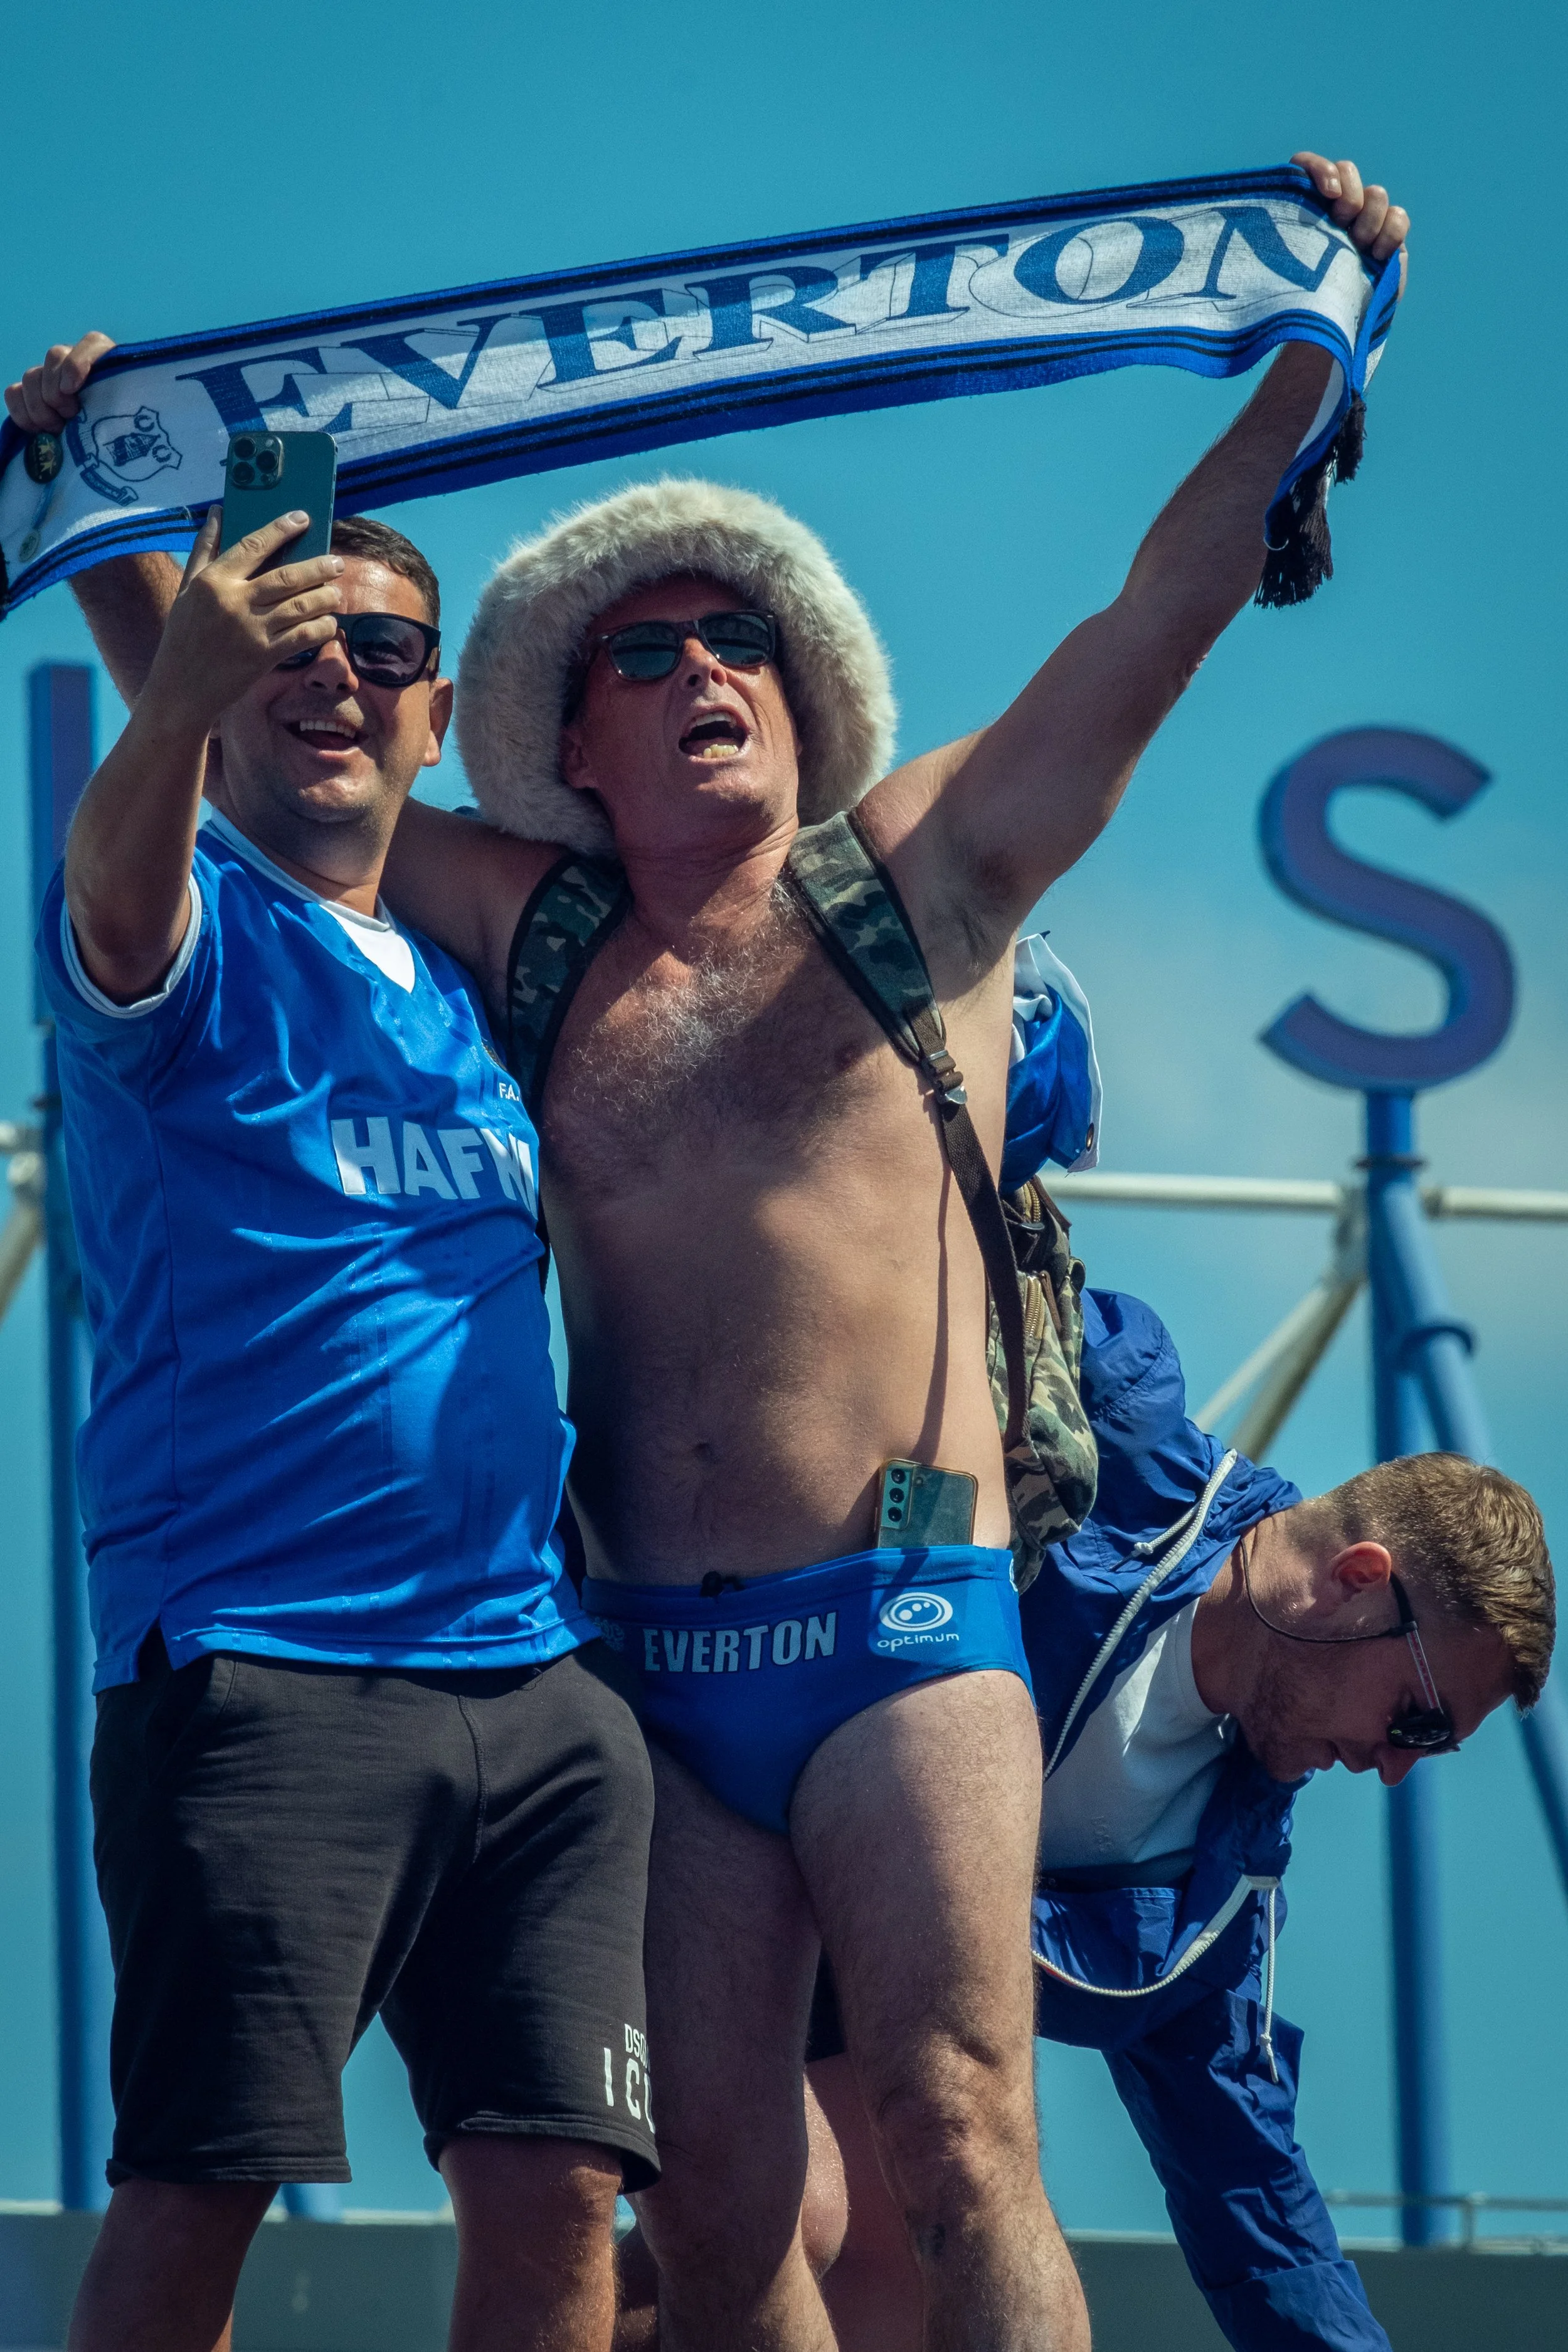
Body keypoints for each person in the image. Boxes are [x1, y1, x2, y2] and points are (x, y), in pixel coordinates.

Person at [8, 148, 1414, 2352]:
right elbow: (294, 789)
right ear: (570, 737)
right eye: (646, 653)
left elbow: (1156, 618)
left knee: (961, 2132)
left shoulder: (927, 884)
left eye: (737, 635)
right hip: (634, 1666)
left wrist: (1303, 365)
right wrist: (113, 534)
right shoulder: (525, 930)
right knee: (732, 2209)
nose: (701, 672)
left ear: (802, 677)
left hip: (903, 1625)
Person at [19, 501, 657, 2352]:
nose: (337, 680)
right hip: (263, 1661)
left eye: (381, 654)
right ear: (218, 694)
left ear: (437, 710)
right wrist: (154, 654)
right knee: (197, 2187)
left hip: (529, 1686)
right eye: (294, 647)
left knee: (561, 2197)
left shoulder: (469, 997)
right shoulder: (185, 918)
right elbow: (122, 878)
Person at [793, 1282, 1553, 2352]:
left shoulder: (1215, 1889)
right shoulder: (1114, 1414)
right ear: (1358, 1579)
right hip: (688, 1777)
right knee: (816, 2227)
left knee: (891, 2253)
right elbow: (889, 1252)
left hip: (826, 1977)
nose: (1391, 1772)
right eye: (1417, 1722)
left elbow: (1260, 2220)